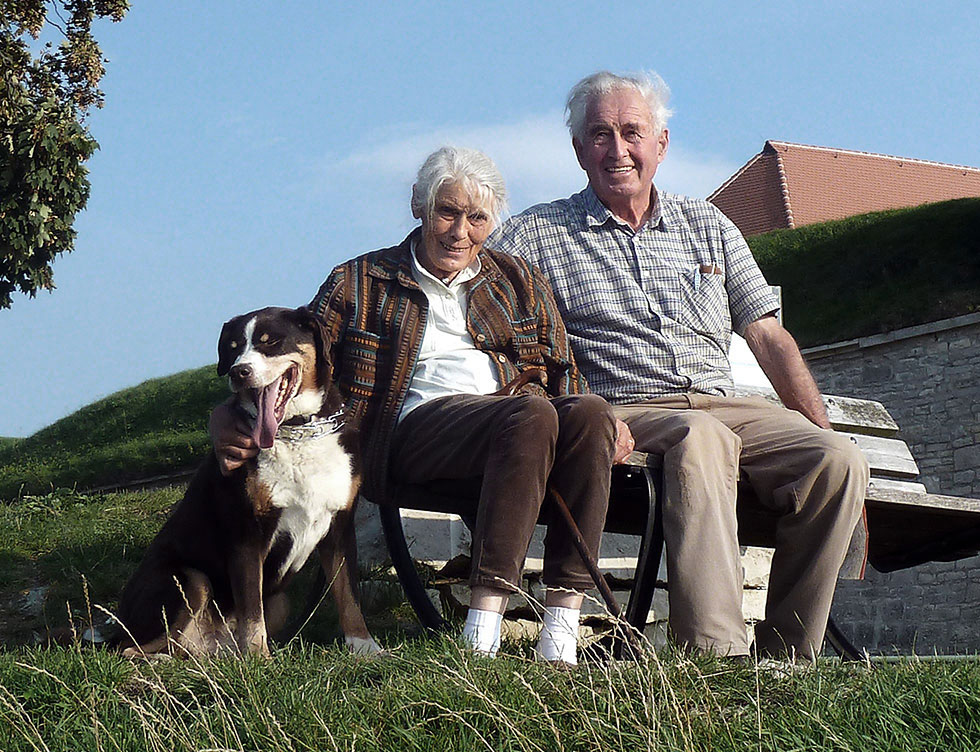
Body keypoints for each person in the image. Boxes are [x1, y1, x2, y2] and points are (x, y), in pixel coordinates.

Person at [491, 71, 869, 661]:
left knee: (838, 460)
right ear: (578, 150)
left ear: (660, 144)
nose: (618, 150)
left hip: (727, 403)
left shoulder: (710, 226)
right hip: (626, 410)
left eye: (632, 132)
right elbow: (499, 336)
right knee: (702, 438)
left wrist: (816, 426)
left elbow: (769, 337)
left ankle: (786, 662)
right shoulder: (534, 236)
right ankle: (715, 659)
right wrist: (573, 411)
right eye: (600, 134)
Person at [211, 146, 632, 665]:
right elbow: (299, 360)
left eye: (477, 218)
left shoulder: (519, 281)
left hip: (516, 426)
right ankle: (482, 632)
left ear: (492, 222)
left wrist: (608, 418)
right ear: (419, 206)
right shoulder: (358, 282)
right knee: (532, 413)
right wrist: (228, 413)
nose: (460, 231)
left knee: (588, 412)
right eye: (447, 212)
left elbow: (565, 369)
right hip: (411, 433)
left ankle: (561, 633)